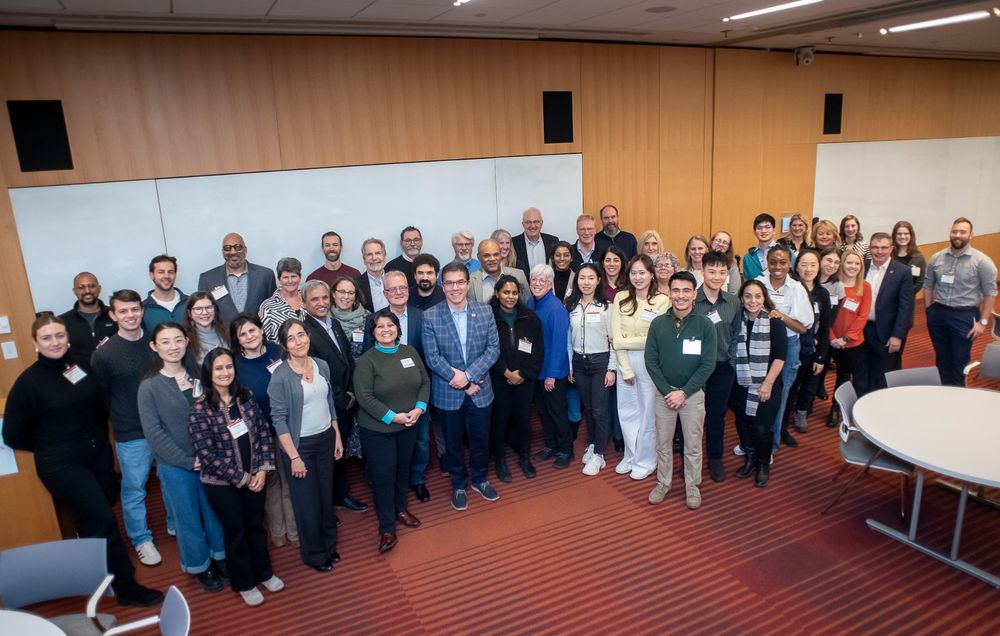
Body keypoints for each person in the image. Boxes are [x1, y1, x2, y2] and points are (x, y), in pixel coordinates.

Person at [2, 315, 164, 607]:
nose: (55, 342)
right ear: (35, 344)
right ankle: (126, 588)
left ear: (67, 337)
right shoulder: (28, 383)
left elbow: (100, 403)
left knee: (98, 513)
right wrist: (50, 446)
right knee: (103, 520)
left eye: (59, 336)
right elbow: (13, 434)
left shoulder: (80, 365)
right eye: (47, 338)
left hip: (97, 453)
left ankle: (96, 573)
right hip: (62, 464)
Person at [189, 348, 284, 607]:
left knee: (256, 526)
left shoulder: (246, 397)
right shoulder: (201, 409)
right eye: (218, 368)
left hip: (256, 476)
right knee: (236, 532)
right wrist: (242, 478)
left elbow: (264, 432)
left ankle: (264, 573)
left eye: (229, 367)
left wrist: (263, 469)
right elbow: (206, 454)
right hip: (223, 485)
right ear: (209, 372)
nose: (225, 372)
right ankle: (245, 582)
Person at [138, 322, 228, 592]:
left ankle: (220, 557)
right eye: (165, 342)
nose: (173, 346)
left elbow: (217, 413)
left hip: (210, 460)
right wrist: (188, 461)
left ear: (187, 342)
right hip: (176, 466)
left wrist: (212, 454)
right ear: (154, 347)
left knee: (214, 512)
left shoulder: (198, 375)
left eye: (178, 340)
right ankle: (200, 565)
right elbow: (154, 434)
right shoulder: (149, 387)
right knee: (187, 518)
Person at [90, 289, 162, 567]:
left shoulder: (156, 342)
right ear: (113, 315)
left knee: (170, 482)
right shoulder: (104, 354)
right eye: (123, 311)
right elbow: (103, 395)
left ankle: (173, 523)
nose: (130, 315)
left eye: (135, 309)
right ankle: (141, 539)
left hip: (163, 426)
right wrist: (121, 418)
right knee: (135, 488)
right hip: (131, 431)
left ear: (142, 310)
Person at [422, 262, 501, 511]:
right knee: (453, 443)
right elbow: (432, 357)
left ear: (468, 284)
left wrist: (468, 376)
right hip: (449, 392)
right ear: (442, 286)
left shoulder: (485, 312)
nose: (455, 288)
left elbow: (493, 350)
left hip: (480, 389)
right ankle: (458, 483)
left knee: (480, 439)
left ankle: (480, 479)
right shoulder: (431, 316)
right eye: (449, 283)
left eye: (460, 282)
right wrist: (460, 379)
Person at [268, 319, 343, 572]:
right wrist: (294, 457)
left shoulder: (321, 365)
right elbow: (278, 420)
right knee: (306, 504)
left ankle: (330, 547)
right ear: (284, 345)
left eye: (301, 335)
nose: (298, 341)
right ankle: (314, 555)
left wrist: (337, 435)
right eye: (291, 338)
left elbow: (329, 401)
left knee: (325, 498)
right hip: (300, 447)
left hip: (325, 440)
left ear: (308, 337)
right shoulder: (280, 376)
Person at [354, 309, 430, 554]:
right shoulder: (367, 360)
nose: (386, 329)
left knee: (401, 470)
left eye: (390, 325)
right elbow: (364, 397)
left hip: (408, 424)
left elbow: (425, 382)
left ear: (398, 328)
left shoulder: (410, 352)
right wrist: (392, 417)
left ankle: (401, 509)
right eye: (380, 326)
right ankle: (387, 527)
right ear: (373, 332)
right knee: (384, 477)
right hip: (378, 430)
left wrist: (419, 409)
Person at [645, 271, 716, 509]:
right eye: (676, 290)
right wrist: (668, 391)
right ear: (669, 292)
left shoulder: (705, 325)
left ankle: (692, 486)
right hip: (663, 394)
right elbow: (650, 361)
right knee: (662, 443)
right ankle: (663, 483)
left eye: (686, 290)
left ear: (694, 294)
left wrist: (683, 392)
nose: (681, 295)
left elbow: (708, 364)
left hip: (692, 395)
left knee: (693, 445)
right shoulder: (658, 323)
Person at [360, 271, 432, 503]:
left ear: (408, 290)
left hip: (416, 391)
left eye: (402, 287)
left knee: (420, 440)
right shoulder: (375, 321)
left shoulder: (423, 316)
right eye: (393, 289)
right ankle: (388, 483)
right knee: (389, 452)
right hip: (386, 396)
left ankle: (417, 479)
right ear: (385, 293)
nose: (399, 292)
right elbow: (367, 357)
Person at [231, 313, 297, 548]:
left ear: (261, 330)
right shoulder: (235, 364)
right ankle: (278, 533)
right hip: (257, 433)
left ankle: (295, 531)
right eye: (243, 334)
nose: (250, 336)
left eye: (253, 330)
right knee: (270, 482)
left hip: (287, 427)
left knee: (290, 479)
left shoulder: (278, 351)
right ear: (237, 340)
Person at [302, 279, 368, 514]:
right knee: (328, 457)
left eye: (323, 298)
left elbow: (348, 360)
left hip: (346, 398)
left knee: (338, 456)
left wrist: (352, 390)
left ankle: (340, 495)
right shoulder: (306, 332)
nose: (321, 303)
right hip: (329, 404)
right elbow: (315, 372)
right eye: (315, 299)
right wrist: (341, 398)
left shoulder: (334, 324)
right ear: (305, 303)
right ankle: (327, 505)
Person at [612, 255, 670, 481]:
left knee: (648, 413)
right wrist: (625, 369)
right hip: (624, 361)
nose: (637, 277)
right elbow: (615, 335)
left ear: (651, 274)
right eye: (634, 273)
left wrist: (624, 341)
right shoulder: (620, 298)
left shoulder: (662, 301)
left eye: (642, 273)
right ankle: (630, 455)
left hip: (651, 363)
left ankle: (646, 460)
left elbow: (655, 340)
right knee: (626, 412)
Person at [923, 217, 997, 387]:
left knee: (958, 360)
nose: (958, 235)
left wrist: (983, 322)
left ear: (971, 235)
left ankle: (957, 397)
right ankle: (942, 392)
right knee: (941, 358)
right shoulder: (937, 258)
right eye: (954, 231)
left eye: (962, 232)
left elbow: (990, 293)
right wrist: (929, 310)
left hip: (964, 315)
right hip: (938, 313)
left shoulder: (982, 262)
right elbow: (928, 285)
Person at [753, 244, 812, 455]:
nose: (777, 266)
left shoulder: (796, 288)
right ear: (767, 263)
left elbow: (803, 327)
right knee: (755, 393)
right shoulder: (758, 284)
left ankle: (771, 445)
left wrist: (780, 316)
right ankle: (752, 442)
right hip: (760, 345)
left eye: (783, 262)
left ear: (790, 264)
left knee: (780, 396)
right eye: (773, 262)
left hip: (787, 347)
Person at [729, 280, 786, 487]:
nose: (753, 301)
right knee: (742, 423)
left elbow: (780, 357)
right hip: (741, 383)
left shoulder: (775, 322)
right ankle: (750, 456)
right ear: (742, 299)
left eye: (757, 296)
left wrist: (768, 384)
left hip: (766, 383)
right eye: (748, 296)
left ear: (764, 298)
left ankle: (763, 463)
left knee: (761, 429)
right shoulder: (736, 322)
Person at [488, 275, 543, 482]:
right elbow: (486, 349)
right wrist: (505, 372)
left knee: (524, 420)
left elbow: (537, 350)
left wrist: (522, 374)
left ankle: (525, 457)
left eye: (514, 292)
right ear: (497, 293)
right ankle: (500, 461)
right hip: (499, 379)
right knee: (499, 421)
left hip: (524, 380)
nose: (510, 296)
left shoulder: (530, 317)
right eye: (505, 292)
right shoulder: (488, 317)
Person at [693, 252, 741, 483]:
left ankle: (714, 458)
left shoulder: (733, 302)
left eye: (722, 272)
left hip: (722, 367)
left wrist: (730, 359)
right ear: (703, 271)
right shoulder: (691, 300)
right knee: (692, 416)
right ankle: (690, 458)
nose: (717, 276)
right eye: (712, 271)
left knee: (716, 416)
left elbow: (735, 334)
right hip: (694, 369)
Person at [566, 264, 616, 476]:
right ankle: (594, 444)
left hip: (600, 362)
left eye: (590, 278)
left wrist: (611, 368)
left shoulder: (606, 306)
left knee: (599, 409)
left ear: (598, 281)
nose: (586, 282)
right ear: (577, 281)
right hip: (579, 362)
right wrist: (570, 366)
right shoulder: (571, 306)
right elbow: (569, 340)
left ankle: (600, 454)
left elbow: (613, 340)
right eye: (582, 278)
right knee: (588, 407)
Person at [855, 232, 914, 395]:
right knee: (860, 371)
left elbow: (905, 307)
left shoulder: (902, 272)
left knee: (882, 374)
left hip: (885, 332)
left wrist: (897, 335)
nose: (879, 251)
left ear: (891, 249)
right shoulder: (862, 266)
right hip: (860, 329)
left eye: (883, 248)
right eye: (874, 247)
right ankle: (858, 405)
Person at [526, 264, 572, 469]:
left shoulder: (556, 308)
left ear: (550, 283)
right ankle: (551, 444)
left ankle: (565, 450)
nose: (537, 283)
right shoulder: (530, 302)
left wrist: (552, 375)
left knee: (557, 413)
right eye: (534, 279)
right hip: (536, 371)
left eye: (542, 280)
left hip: (553, 372)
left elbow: (559, 344)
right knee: (543, 412)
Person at [783, 249, 831, 436]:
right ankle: (783, 424)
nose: (808, 269)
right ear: (796, 267)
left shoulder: (823, 294)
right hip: (793, 347)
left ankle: (801, 412)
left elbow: (826, 327)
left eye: (813, 265)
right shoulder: (792, 290)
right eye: (804, 264)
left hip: (814, 348)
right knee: (790, 386)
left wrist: (821, 357)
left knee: (809, 385)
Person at [827, 251, 871, 425]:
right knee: (818, 375)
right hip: (830, 339)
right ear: (842, 264)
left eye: (856, 264)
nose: (852, 267)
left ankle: (835, 409)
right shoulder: (833, 285)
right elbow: (826, 315)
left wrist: (845, 338)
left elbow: (863, 316)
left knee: (843, 376)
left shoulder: (865, 287)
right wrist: (832, 338)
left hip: (851, 342)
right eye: (849, 263)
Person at [198, 233, 277, 323]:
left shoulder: (266, 276)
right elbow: (203, 315)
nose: (233, 252)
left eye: (238, 247)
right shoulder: (207, 279)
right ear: (223, 252)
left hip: (257, 335)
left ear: (245, 250)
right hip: (223, 336)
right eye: (227, 248)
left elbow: (273, 311)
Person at [891, 220, 926, 367]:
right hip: (886, 305)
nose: (902, 236)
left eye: (906, 233)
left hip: (904, 307)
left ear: (911, 235)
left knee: (897, 347)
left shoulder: (917, 258)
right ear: (894, 236)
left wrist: (901, 296)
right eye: (899, 234)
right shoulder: (889, 254)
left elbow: (919, 283)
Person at [59, 271, 116, 357]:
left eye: (92, 286)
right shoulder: (62, 322)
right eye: (81, 287)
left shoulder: (115, 315)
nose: (87, 291)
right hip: (81, 370)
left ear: (99, 288)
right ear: (74, 291)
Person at [816, 247, 844, 401]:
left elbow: (833, 316)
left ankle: (818, 387)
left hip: (825, 332)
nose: (832, 265)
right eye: (828, 260)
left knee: (821, 365)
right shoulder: (808, 280)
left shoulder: (838, 286)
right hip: (805, 332)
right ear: (820, 259)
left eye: (836, 262)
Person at [258, 257, 305, 343]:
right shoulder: (267, 306)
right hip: (281, 355)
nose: (290, 281)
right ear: (279, 279)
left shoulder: (308, 299)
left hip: (313, 355)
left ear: (300, 277)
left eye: (293, 276)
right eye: (285, 277)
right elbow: (263, 339)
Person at [469, 238, 528, 303]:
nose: (492, 259)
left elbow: (528, 305)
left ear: (500, 255)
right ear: (479, 257)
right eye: (487, 256)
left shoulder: (519, 275)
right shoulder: (470, 281)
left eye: (496, 254)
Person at [142, 254, 188, 331]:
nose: (166, 276)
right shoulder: (143, 309)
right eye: (161, 272)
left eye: (171, 272)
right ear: (151, 275)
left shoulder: (190, 303)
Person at [184, 291, 229, 365]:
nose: (204, 312)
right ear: (189, 313)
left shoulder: (228, 333)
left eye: (208, 307)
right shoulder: (186, 339)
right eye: (198, 309)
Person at [332, 276, 371, 359]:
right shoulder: (326, 318)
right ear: (333, 294)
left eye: (351, 293)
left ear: (355, 296)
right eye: (342, 292)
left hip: (363, 367)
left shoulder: (367, 317)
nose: (346, 296)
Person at [512, 208, 559, 275]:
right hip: (523, 285)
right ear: (523, 224)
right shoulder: (513, 243)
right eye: (528, 222)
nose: (533, 226)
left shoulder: (553, 241)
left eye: (536, 221)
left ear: (541, 223)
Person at [741, 213, 778, 282]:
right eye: (759, 228)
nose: (763, 231)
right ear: (754, 232)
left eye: (767, 227)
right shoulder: (748, 258)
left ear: (774, 230)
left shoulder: (786, 252)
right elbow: (747, 284)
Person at [357, 238, 389, 313]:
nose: (374, 258)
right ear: (364, 260)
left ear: (384, 257)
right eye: (369, 254)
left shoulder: (396, 279)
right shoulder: (357, 285)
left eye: (378, 253)